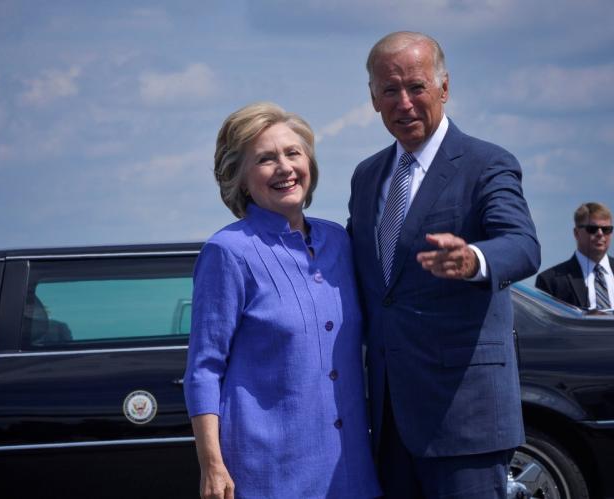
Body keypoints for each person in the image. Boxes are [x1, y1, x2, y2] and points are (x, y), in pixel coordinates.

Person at [347, 31, 541, 498]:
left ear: (444, 89)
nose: (404, 102)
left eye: (416, 87)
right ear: (373, 99)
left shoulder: (485, 163)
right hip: (390, 420)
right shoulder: (367, 175)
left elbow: (522, 245)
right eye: (390, 90)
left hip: (465, 416)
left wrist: (473, 259)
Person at [183, 102, 381, 499]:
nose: (285, 168)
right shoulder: (228, 252)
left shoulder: (340, 242)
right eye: (266, 159)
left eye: (293, 153)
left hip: (351, 469)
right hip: (268, 474)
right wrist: (212, 464)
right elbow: (204, 369)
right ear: (240, 178)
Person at [536, 202, 614, 311]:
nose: (600, 234)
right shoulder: (551, 281)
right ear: (576, 233)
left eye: (606, 230)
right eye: (592, 229)